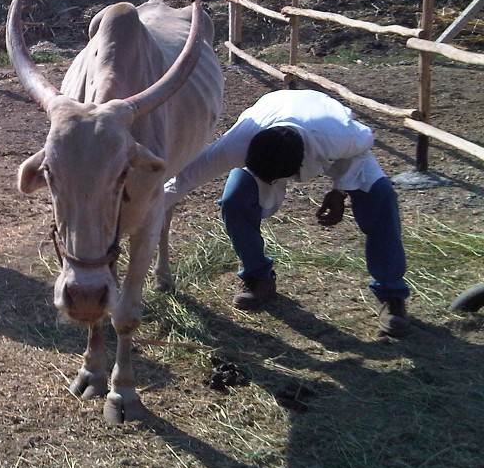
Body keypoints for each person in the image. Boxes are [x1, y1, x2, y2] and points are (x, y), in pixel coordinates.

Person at [164, 89, 412, 337]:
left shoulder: (340, 136)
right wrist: (136, 212)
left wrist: (339, 191)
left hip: (332, 141)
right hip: (275, 123)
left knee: (382, 197)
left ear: (296, 169)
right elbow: (183, 179)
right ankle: (258, 277)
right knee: (234, 201)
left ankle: (391, 294)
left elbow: (363, 146)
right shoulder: (239, 143)